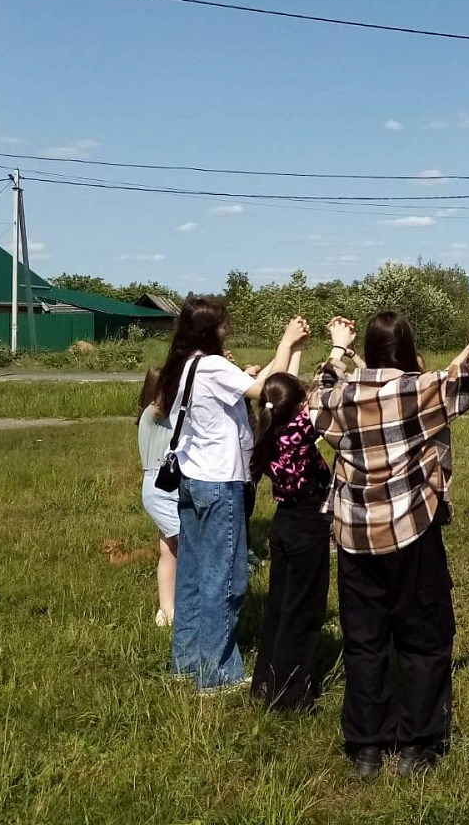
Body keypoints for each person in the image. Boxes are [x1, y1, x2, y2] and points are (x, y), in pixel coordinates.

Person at [307, 302, 469, 780]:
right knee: (424, 639)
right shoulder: (421, 390)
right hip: (412, 530)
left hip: (355, 534)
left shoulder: (340, 396)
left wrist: (337, 349)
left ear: (370, 351)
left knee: (365, 642)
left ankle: (367, 747)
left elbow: (315, 396)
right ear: (408, 350)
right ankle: (419, 743)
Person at [155, 296, 308, 694]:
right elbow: (268, 393)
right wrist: (286, 344)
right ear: (210, 329)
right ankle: (216, 674)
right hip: (220, 483)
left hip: (192, 480)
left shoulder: (185, 366)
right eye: (224, 324)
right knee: (224, 579)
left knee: (191, 574)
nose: (228, 329)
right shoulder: (213, 365)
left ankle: (186, 664)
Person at [248, 364, 334, 712]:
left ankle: (265, 682)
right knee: (304, 609)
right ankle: (291, 695)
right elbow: (322, 403)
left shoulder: (267, 430)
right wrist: (336, 354)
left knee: (280, 606)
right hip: (305, 523)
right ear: (298, 407)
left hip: (284, 523)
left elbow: (300, 399)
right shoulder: (298, 432)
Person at [137, 367, 178, 628]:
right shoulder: (151, 416)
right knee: (188, 542)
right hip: (159, 487)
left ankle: (167, 610)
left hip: (171, 484)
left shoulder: (171, 418)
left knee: (170, 550)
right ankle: (180, 605)